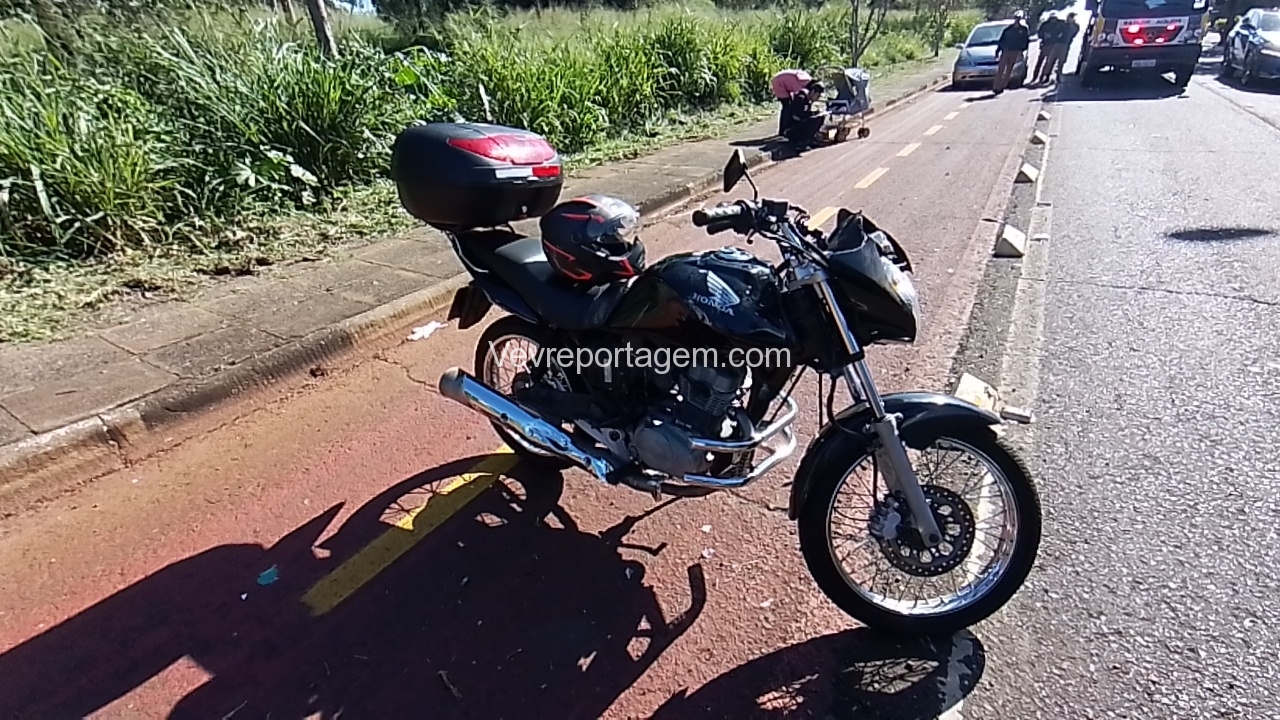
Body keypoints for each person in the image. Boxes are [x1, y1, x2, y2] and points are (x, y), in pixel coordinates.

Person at [780, 80, 828, 150]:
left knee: (819, 118)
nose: (817, 98)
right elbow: (797, 116)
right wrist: (811, 114)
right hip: (791, 129)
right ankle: (801, 143)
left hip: (796, 127)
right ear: (813, 92)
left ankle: (809, 140)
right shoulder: (801, 98)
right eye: (817, 95)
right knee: (815, 121)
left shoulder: (807, 99)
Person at [994, 10, 1031, 95]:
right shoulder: (1008, 29)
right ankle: (996, 87)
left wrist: (1022, 50)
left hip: (1015, 51)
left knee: (1009, 70)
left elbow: (1026, 41)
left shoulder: (1023, 30)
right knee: (1000, 69)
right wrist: (998, 51)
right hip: (1006, 51)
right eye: (1016, 18)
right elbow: (1001, 41)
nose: (1017, 20)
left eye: (1019, 18)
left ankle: (1002, 86)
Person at [1039, 12, 1078, 83]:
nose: (1070, 19)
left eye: (1071, 18)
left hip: (1065, 44)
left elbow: (1073, 33)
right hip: (1057, 44)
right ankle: (1046, 76)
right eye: (1069, 17)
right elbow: (1056, 29)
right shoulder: (1062, 24)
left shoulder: (1075, 27)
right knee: (1051, 61)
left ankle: (1058, 75)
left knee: (1061, 61)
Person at [1033, 13, 1063, 85]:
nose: (1053, 20)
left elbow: (1061, 34)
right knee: (1040, 61)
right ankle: (1035, 76)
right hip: (1045, 44)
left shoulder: (1059, 25)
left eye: (1054, 18)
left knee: (1049, 62)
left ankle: (1045, 77)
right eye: (1052, 18)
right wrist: (1044, 35)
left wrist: (1055, 36)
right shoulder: (1045, 25)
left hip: (1053, 46)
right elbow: (1040, 33)